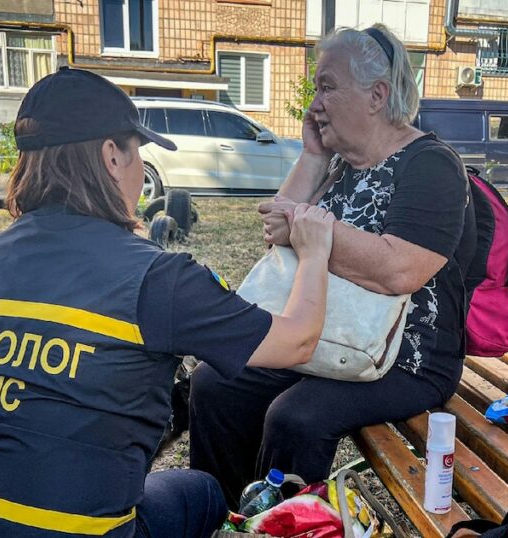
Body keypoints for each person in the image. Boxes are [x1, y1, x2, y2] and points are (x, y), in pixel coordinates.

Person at [0, 67, 336, 538]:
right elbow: (298, 340)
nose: (141, 168)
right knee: (201, 491)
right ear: (112, 156)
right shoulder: (158, 277)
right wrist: (316, 248)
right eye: (139, 151)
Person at [189, 24, 476, 507]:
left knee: (295, 417)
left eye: (327, 87)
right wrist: (312, 154)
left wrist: (314, 233)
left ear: (377, 95)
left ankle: (281, 522)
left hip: (406, 360)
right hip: (329, 338)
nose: (314, 102)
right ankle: (217, 511)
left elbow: (399, 270)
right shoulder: (343, 162)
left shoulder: (431, 166)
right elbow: (276, 228)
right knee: (215, 381)